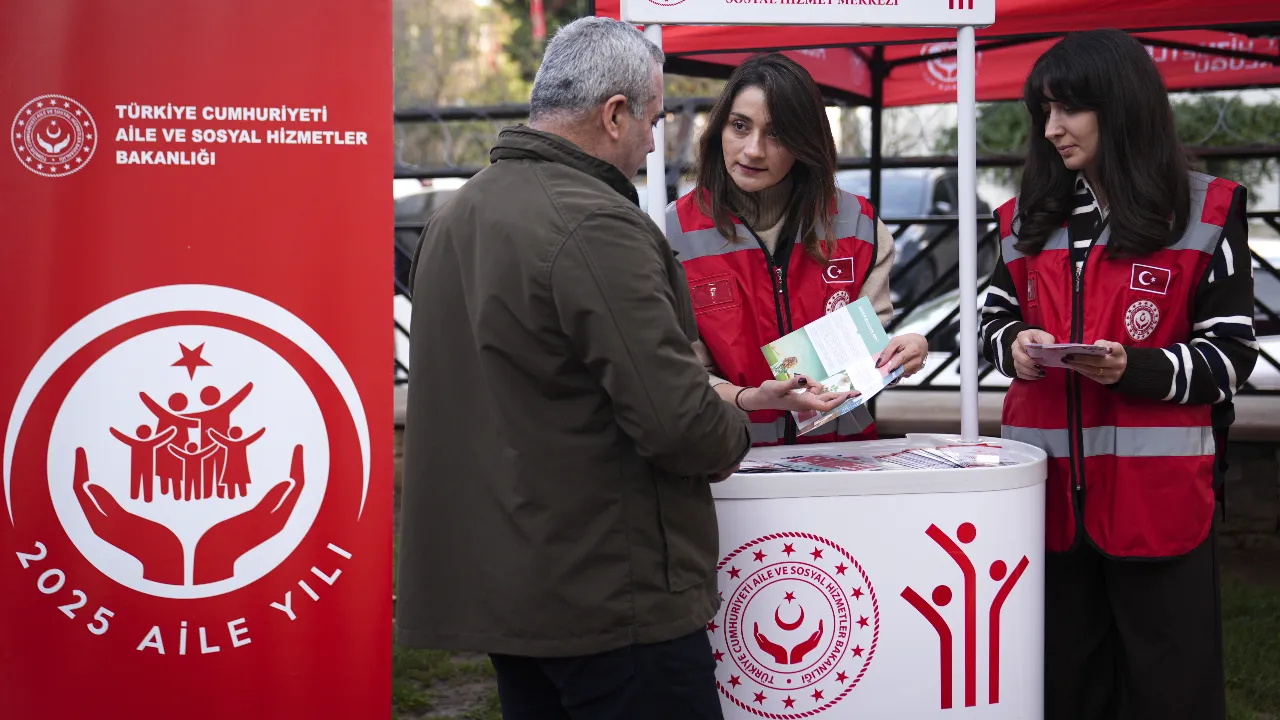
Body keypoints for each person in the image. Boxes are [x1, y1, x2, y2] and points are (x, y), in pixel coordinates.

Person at [395, 16, 751, 720]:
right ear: (614, 114)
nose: (654, 139)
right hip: (611, 594)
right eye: (651, 118)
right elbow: (675, 420)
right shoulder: (594, 220)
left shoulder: (459, 213)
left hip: (517, 588)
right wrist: (735, 427)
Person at [979, 29, 1257, 720]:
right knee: (1064, 689)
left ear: (1120, 104)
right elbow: (988, 324)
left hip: (1157, 504)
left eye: (1067, 109)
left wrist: (1131, 367)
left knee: (1169, 694)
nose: (1051, 130)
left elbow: (1231, 357)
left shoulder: (1207, 210)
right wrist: (1013, 344)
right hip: (1045, 507)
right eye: (1041, 112)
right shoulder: (1024, 220)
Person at [664, 53, 929, 447]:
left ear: (805, 142)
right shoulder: (674, 231)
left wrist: (906, 351)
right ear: (719, 127)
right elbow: (675, 372)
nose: (753, 150)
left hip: (842, 465)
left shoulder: (858, 223)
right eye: (740, 126)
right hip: (730, 468)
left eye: (777, 134)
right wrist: (749, 399)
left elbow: (869, 354)